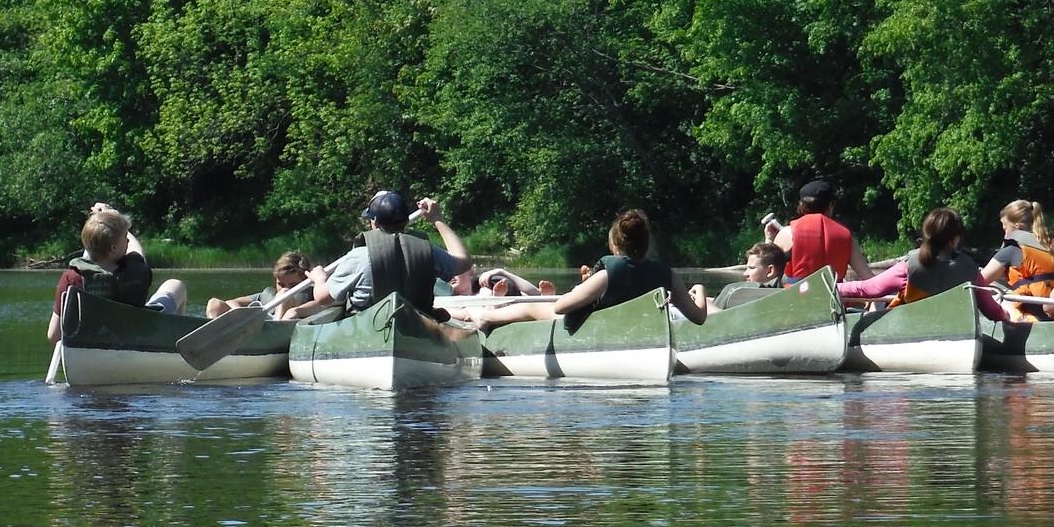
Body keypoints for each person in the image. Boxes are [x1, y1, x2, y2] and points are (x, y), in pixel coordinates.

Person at [457, 210, 708, 331]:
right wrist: (699, 289)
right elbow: (698, 317)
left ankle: (485, 317)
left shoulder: (607, 273)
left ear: (615, 243)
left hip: (603, 330)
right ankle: (482, 315)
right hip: (640, 332)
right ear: (646, 243)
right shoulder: (667, 274)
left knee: (531, 307)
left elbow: (560, 307)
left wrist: (582, 288)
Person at [308, 191, 470, 320]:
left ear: (375, 222)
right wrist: (437, 219)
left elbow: (323, 299)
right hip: (417, 325)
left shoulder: (358, 257)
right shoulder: (427, 252)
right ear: (406, 221)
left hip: (370, 328)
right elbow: (464, 261)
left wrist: (319, 279)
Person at [46, 203, 188, 342]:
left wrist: (106, 219)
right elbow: (137, 250)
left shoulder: (72, 278)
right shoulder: (135, 271)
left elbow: (54, 335)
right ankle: (176, 343)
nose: (127, 240)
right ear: (113, 247)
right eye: (124, 236)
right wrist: (114, 214)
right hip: (137, 338)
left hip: (89, 343)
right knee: (176, 285)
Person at [836, 209, 1002, 321]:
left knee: (879, 304)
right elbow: (991, 311)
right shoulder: (970, 269)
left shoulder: (909, 266)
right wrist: (1010, 317)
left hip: (912, 328)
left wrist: (833, 288)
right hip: (957, 331)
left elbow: (868, 289)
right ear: (956, 238)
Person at [979, 200, 1054, 322]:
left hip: (1032, 316)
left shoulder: (1012, 251)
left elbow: (980, 282)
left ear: (1016, 227)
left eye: (1005, 228)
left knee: (995, 292)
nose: (1005, 235)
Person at [770, 180, 878, 284]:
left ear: (801, 205)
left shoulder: (787, 233)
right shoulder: (846, 236)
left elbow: (766, 271)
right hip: (832, 298)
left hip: (797, 298)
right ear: (830, 205)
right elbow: (868, 279)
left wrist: (769, 240)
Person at [205, 251, 320, 320]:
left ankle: (277, 326)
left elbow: (322, 304)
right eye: (280, 284)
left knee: (284, 294)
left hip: (283, 328)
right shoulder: (267, 295)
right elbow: (231, 302)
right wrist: (240, 312)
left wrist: (297, 311)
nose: (286, 287)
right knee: (214, 303)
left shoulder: (313, 294)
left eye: (293, 285)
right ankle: (210, 337)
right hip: (258, 328)